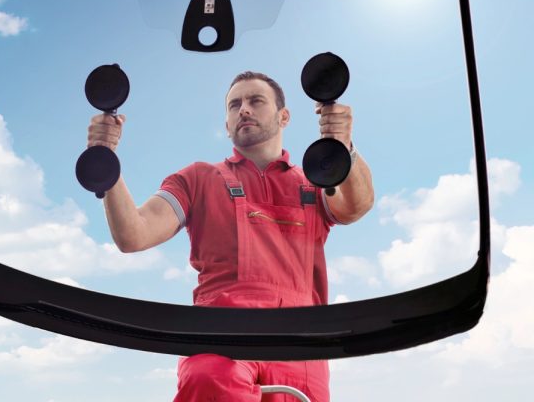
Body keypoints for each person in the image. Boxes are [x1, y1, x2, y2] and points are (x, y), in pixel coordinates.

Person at [87, 71, 374, 401]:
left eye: (256, 100)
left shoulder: (315, 180)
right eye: (234, 104)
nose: (244, 109)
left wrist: (343, 147)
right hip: (221, 333)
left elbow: (356, 205)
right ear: (226, 125)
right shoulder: (197, 179)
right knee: (210, 376)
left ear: (284, 116)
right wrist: (104, 157)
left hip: (302, 346)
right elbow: (133, 234)